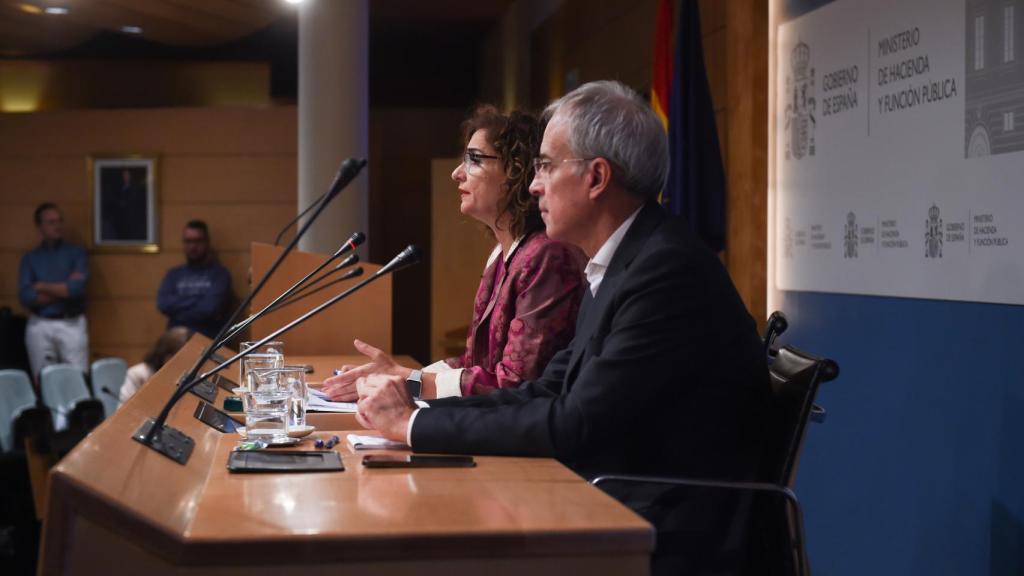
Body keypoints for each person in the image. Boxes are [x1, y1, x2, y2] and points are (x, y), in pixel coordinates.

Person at [352, 81, 770, 575]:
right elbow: (548, 388)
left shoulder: (664, 272)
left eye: (547, 166)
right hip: (617, 494)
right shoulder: (624, 262)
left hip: (668, 527)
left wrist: (411, 425)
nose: (533, 185)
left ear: (596, 178)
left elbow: (574, 424)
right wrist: (417, 411)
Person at [323, 106, 586, 401]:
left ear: (516, 169)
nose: (456, 173)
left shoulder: (547, 256)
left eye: (474, 159)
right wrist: (398, 376)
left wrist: (411, 382)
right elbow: (475, 364)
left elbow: (516, 382)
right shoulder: (503, 254)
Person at [18, 202, 89, 379]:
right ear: (40, 226)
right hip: (40, 323)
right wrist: (62, 290)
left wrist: (41, 286)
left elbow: (75, 290)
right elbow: (26, 296)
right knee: (44, 379)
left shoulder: (76, 253)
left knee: (77, 377)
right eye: (50, 222)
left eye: (59, 221)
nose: (57, 226)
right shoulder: (31, 258)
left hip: (71, 323)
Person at [157, 220, 231, 338]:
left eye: (197, 241)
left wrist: (177, 311)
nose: (192, 246)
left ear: (207, 243)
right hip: (175, 341)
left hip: (207, 341)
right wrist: (197, 300)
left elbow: (209, 309)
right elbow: (163, 304)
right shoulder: (174, 274)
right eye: (188, 241)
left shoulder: (219, 274)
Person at [118, 326, 190, 406]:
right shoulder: (137, 373)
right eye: (180, 358)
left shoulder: (184, 376)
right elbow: (122, 408)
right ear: (167, 356)